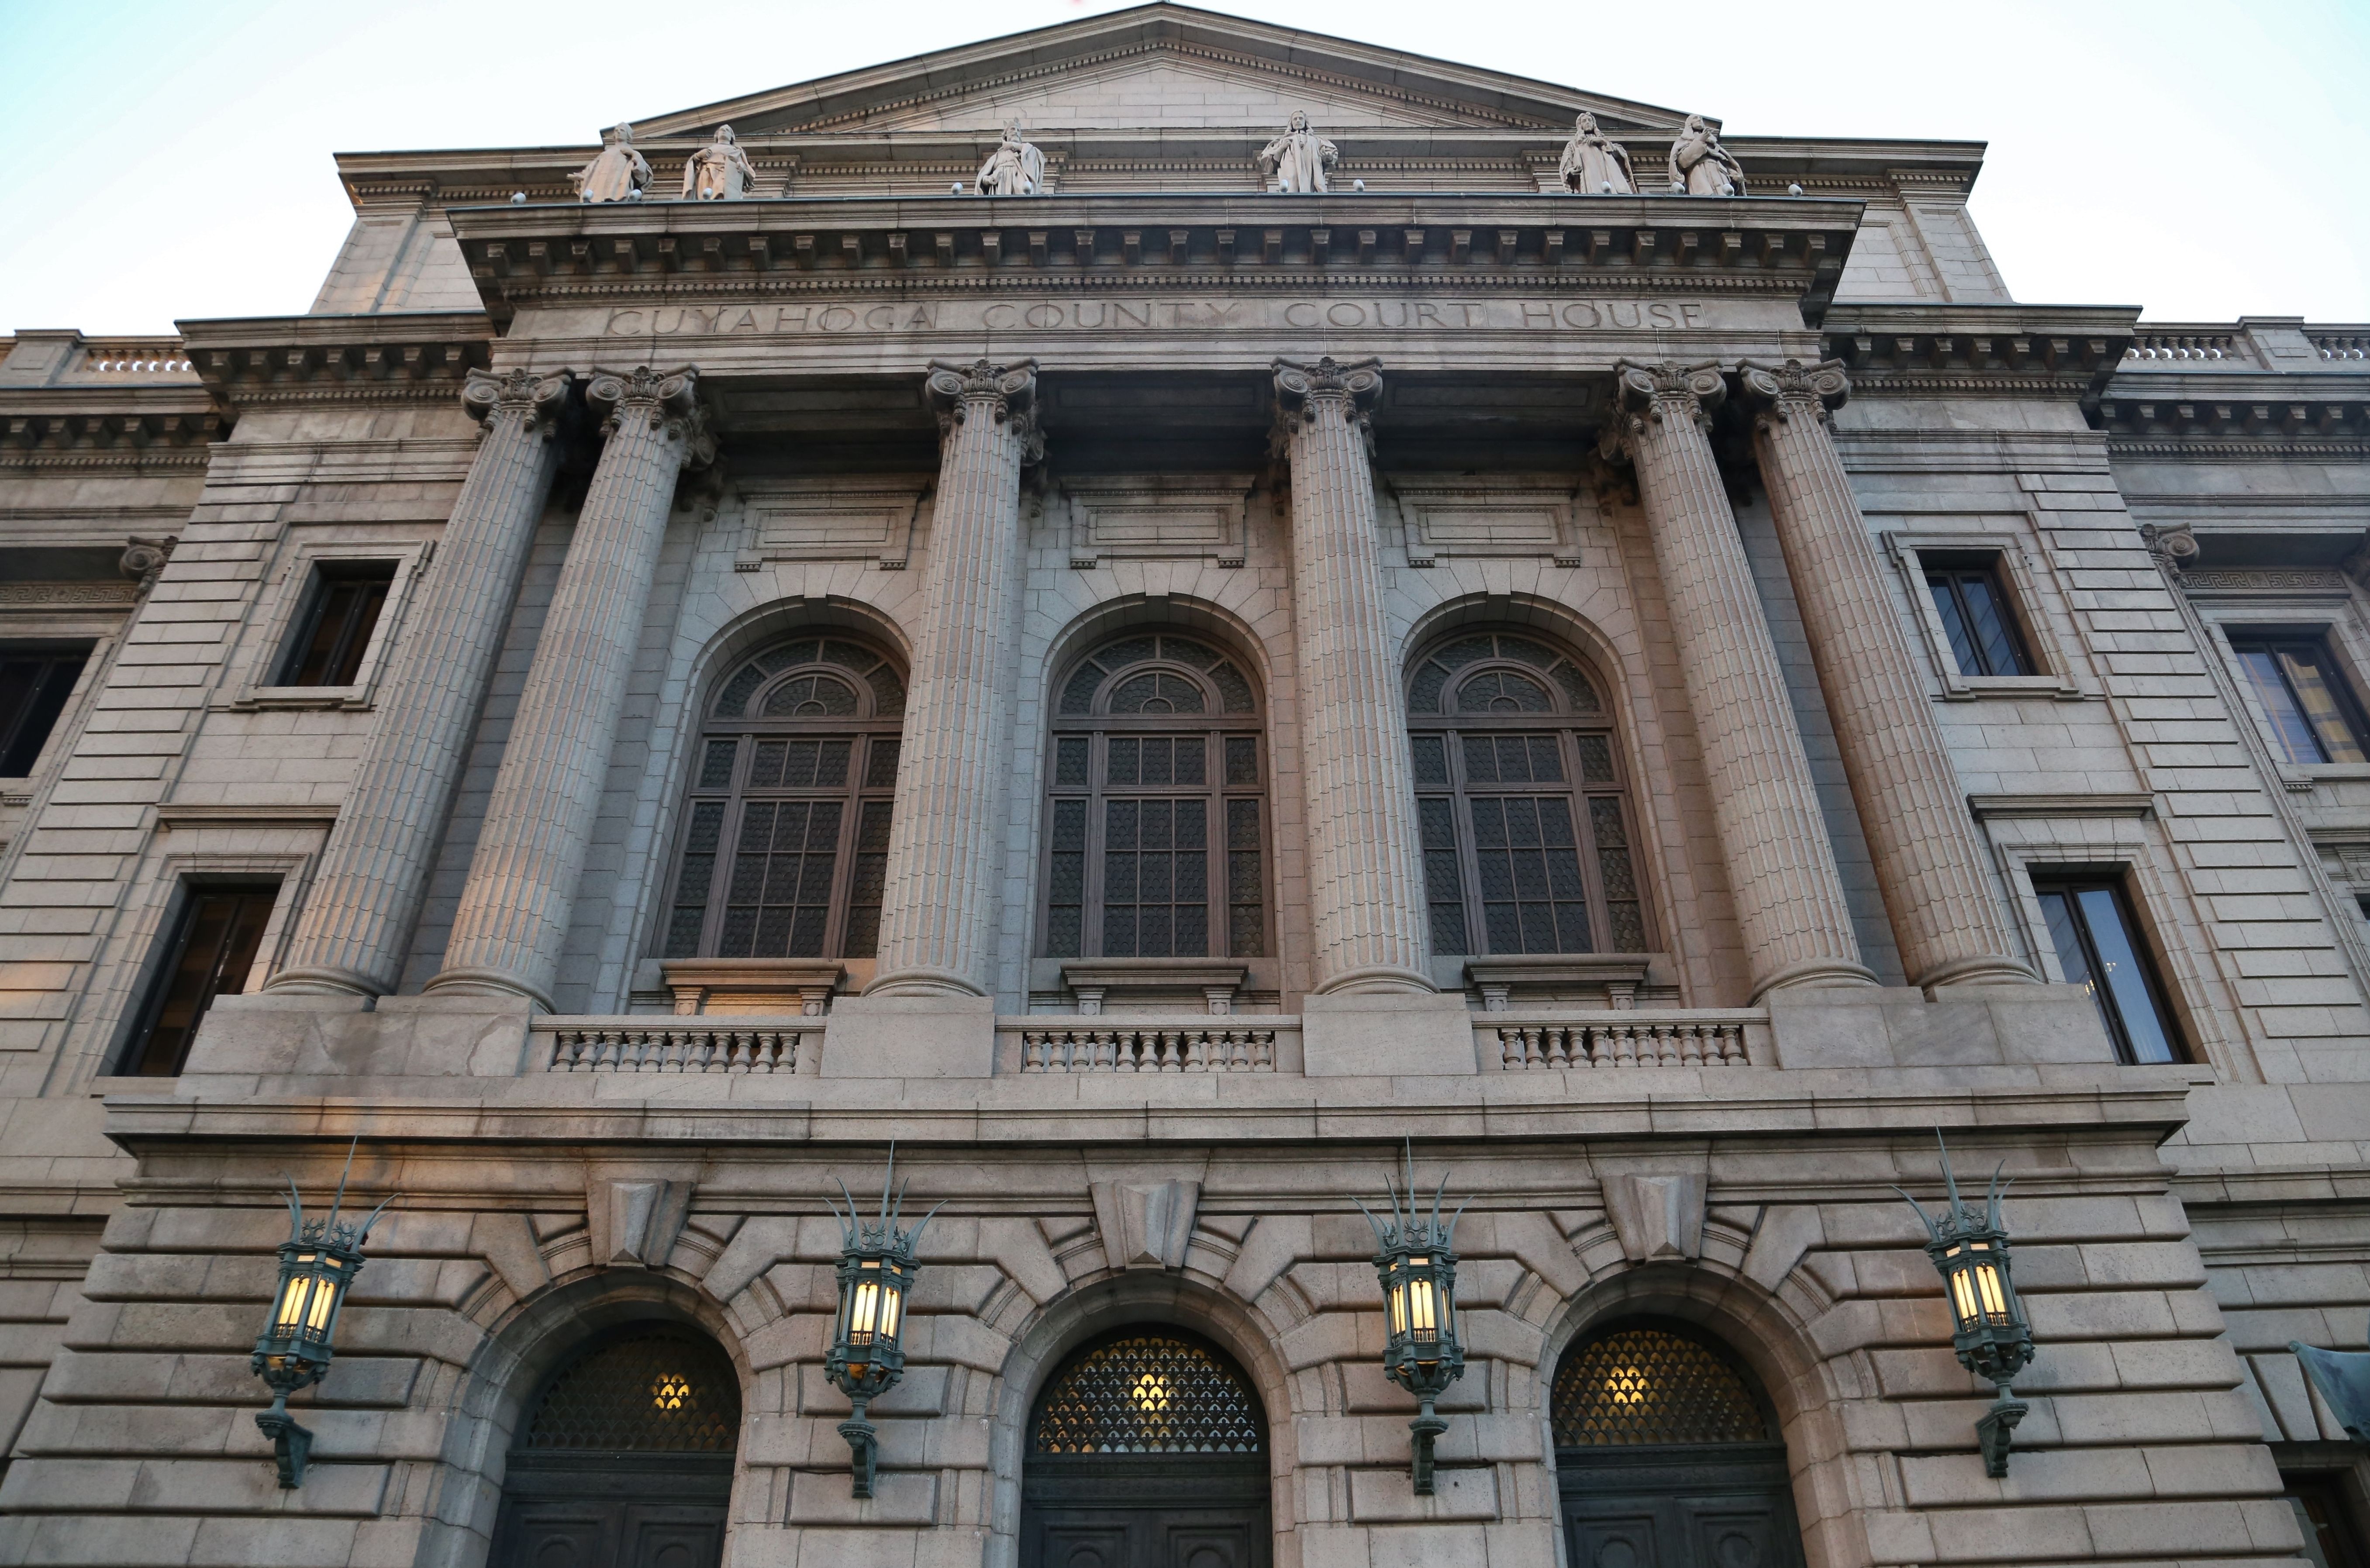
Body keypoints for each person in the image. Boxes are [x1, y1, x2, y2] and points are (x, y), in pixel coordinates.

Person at [1258, 110, 1338, 194]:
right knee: (1293, 180)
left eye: (1301, 119)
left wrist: (1328, 158)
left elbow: (1331, 155)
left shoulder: (1316, 141)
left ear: (1305, 122)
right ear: (1291, 123)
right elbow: (1269, 164)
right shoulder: (1283, 141)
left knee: (1316, 184)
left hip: (1311, 177)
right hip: (1291, 175)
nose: (1298, 121)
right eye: (1295, 119)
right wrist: (1282, 148)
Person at [571, 123, 652, 203]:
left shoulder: (631, 153)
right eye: (617, 131)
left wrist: (633, 154)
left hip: (619, 181)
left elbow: (641, 172)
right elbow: (592, 169)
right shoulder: (605, 154)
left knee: (619, 195)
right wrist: (582, 176)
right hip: (601, 183)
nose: (619, 132)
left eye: (622, 131)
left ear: (628, 135)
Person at [1669, 114, 1746, 197]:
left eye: (1701, 119)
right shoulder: (1685, 140)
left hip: (1719, 174)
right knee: (1703, 199)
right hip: (1698, 171)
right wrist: (1700, 141)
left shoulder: (1714, 144)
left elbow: (1724, 161)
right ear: (1689, 123)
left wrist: (1732, 172)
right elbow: (1682, 162)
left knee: (1724, 198)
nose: (1699, 120)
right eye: (1695, 118)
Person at [1557, 112, 1635, 195]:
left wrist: (1603, 142)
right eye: (1584, 121)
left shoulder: (1604, 141)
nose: (1587, 122)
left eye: (1590, 120)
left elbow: (1621, 155)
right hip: (1589, 179)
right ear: (1580, 126)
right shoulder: (1574, 144)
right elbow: (1566, 166)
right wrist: (1571, 171)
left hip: (1610, 178)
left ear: (1594, 124)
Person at [683, 124, 758, 201]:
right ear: (717, 135)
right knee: (705, 199)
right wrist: (698, 155)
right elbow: (693, 165)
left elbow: (745, 168)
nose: (724, 131)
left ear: (732, 137)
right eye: (722, 130)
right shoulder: (708, 150)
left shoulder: (737, 151)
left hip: (725, 174)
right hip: (707, 173)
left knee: (721, 194)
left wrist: (742, 166)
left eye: (727, 131)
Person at [975, 124, 1045, 196]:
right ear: (1006, 134)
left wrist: (1013, 145)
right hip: (1001, 186)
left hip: (1019, 184)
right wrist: (988, 180)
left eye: (1018, 130)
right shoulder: (997, 156)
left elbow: (1038, 156)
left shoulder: (1026, 152)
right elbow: (982, 178)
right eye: (1013, 129)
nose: (1016, 132)